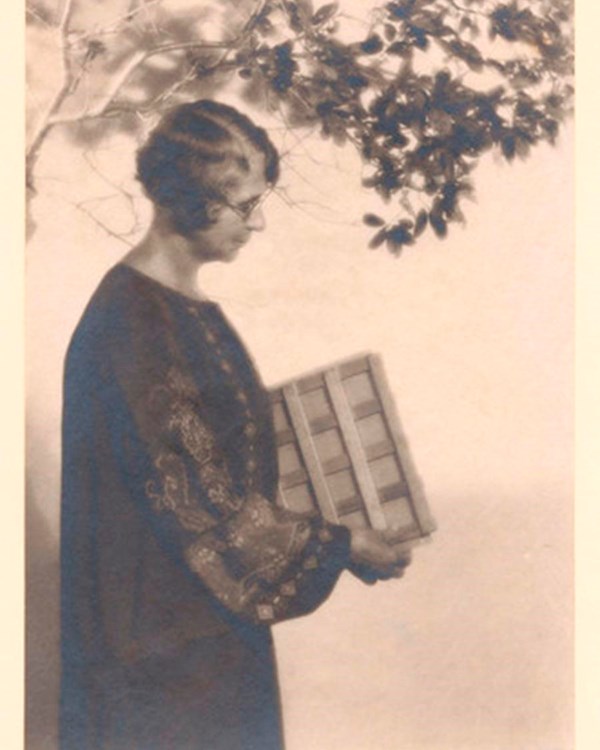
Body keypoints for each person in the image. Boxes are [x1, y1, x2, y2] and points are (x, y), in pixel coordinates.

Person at [60, 99, 410, 750]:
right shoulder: (131, 320)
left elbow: (230, 465)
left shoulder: (185, 308)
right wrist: (343, 543)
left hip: (209, 633)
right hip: (160, 657)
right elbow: (199, 503)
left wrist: (333, 535)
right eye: (246, 205)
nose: (260, 222)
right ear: (190, 199)